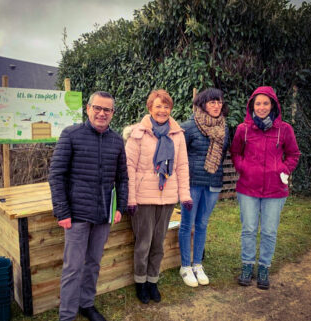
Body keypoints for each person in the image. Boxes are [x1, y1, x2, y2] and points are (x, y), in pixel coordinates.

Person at [49, 91, 128, 321]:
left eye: (107, 109)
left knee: (93, 263)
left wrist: (119, 207)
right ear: (88, 109)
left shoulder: (117, 141)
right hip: (76, 215)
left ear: (113, 113)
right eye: (98, 108)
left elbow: (123, 178)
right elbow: (57, 175)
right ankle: (66, 319)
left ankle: (87, 304)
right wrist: (62, 212)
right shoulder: (71, 135)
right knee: (73, 268)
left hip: (103, 214)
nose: (102, 113)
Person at [125, 89, 192, 304]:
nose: (162, 110)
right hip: (144, 199)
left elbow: (182, 166)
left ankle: (153, 281)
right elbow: (129, 167)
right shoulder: (138, 133)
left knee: (158, 244)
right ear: (150, 108)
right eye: (158, 106)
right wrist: (131, 198)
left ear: (170, 109)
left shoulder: (177, 134)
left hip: (167, 197)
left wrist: (185, 195)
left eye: (166, 106)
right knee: (143, 243)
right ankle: (141, 282)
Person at [230, 86, 300, 290]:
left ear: (273, 105)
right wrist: (243, 168)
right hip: (248, 188)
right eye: (258, 103)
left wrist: (284, 171)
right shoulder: (243, 129)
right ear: (252, 105)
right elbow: (235, 152)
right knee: (249, 229)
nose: (261, 107)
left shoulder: (284, 129)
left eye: (265, 103)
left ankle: (264, 267)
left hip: (275, 190)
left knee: (269, 231)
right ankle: (247, 265)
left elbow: (294, 154)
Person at [178, 88, 229, 287]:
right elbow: (180, 157)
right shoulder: (189, 127)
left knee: (202, 224)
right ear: (202, 104)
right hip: (192, 184)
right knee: (186, 224)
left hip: (213, 183)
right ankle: (185, 265)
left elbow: (223, 155)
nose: (216, 106)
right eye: (212, 102)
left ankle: (197, 264)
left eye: (219, 102)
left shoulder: (225, 128)